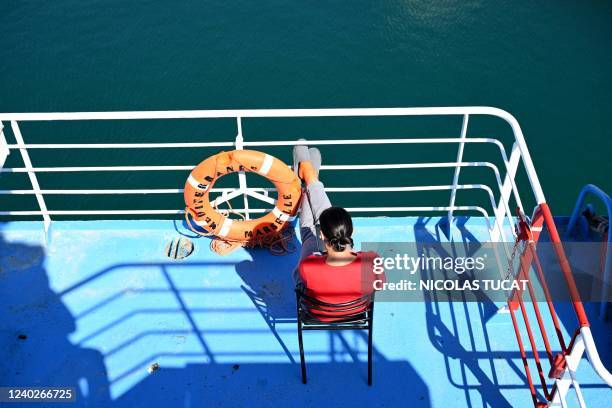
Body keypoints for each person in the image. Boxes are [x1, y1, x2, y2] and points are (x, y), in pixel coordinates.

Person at [293, 143, 384, 321]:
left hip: (318, 314)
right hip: (356, 313)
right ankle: (310, 179)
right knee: (311, 232)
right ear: (352, 231)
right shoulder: (372, 260)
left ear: (323, 235)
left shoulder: (308, 265)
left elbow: (297, 282)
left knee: (308, 237)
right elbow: (379, 285)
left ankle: (308, 181)